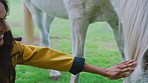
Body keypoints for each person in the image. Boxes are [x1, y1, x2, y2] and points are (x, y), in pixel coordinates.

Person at [0, 0, 136, 83]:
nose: (7, 28)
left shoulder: (12, 49)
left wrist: (104, 71)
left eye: (5, 19)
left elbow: (48, 57)